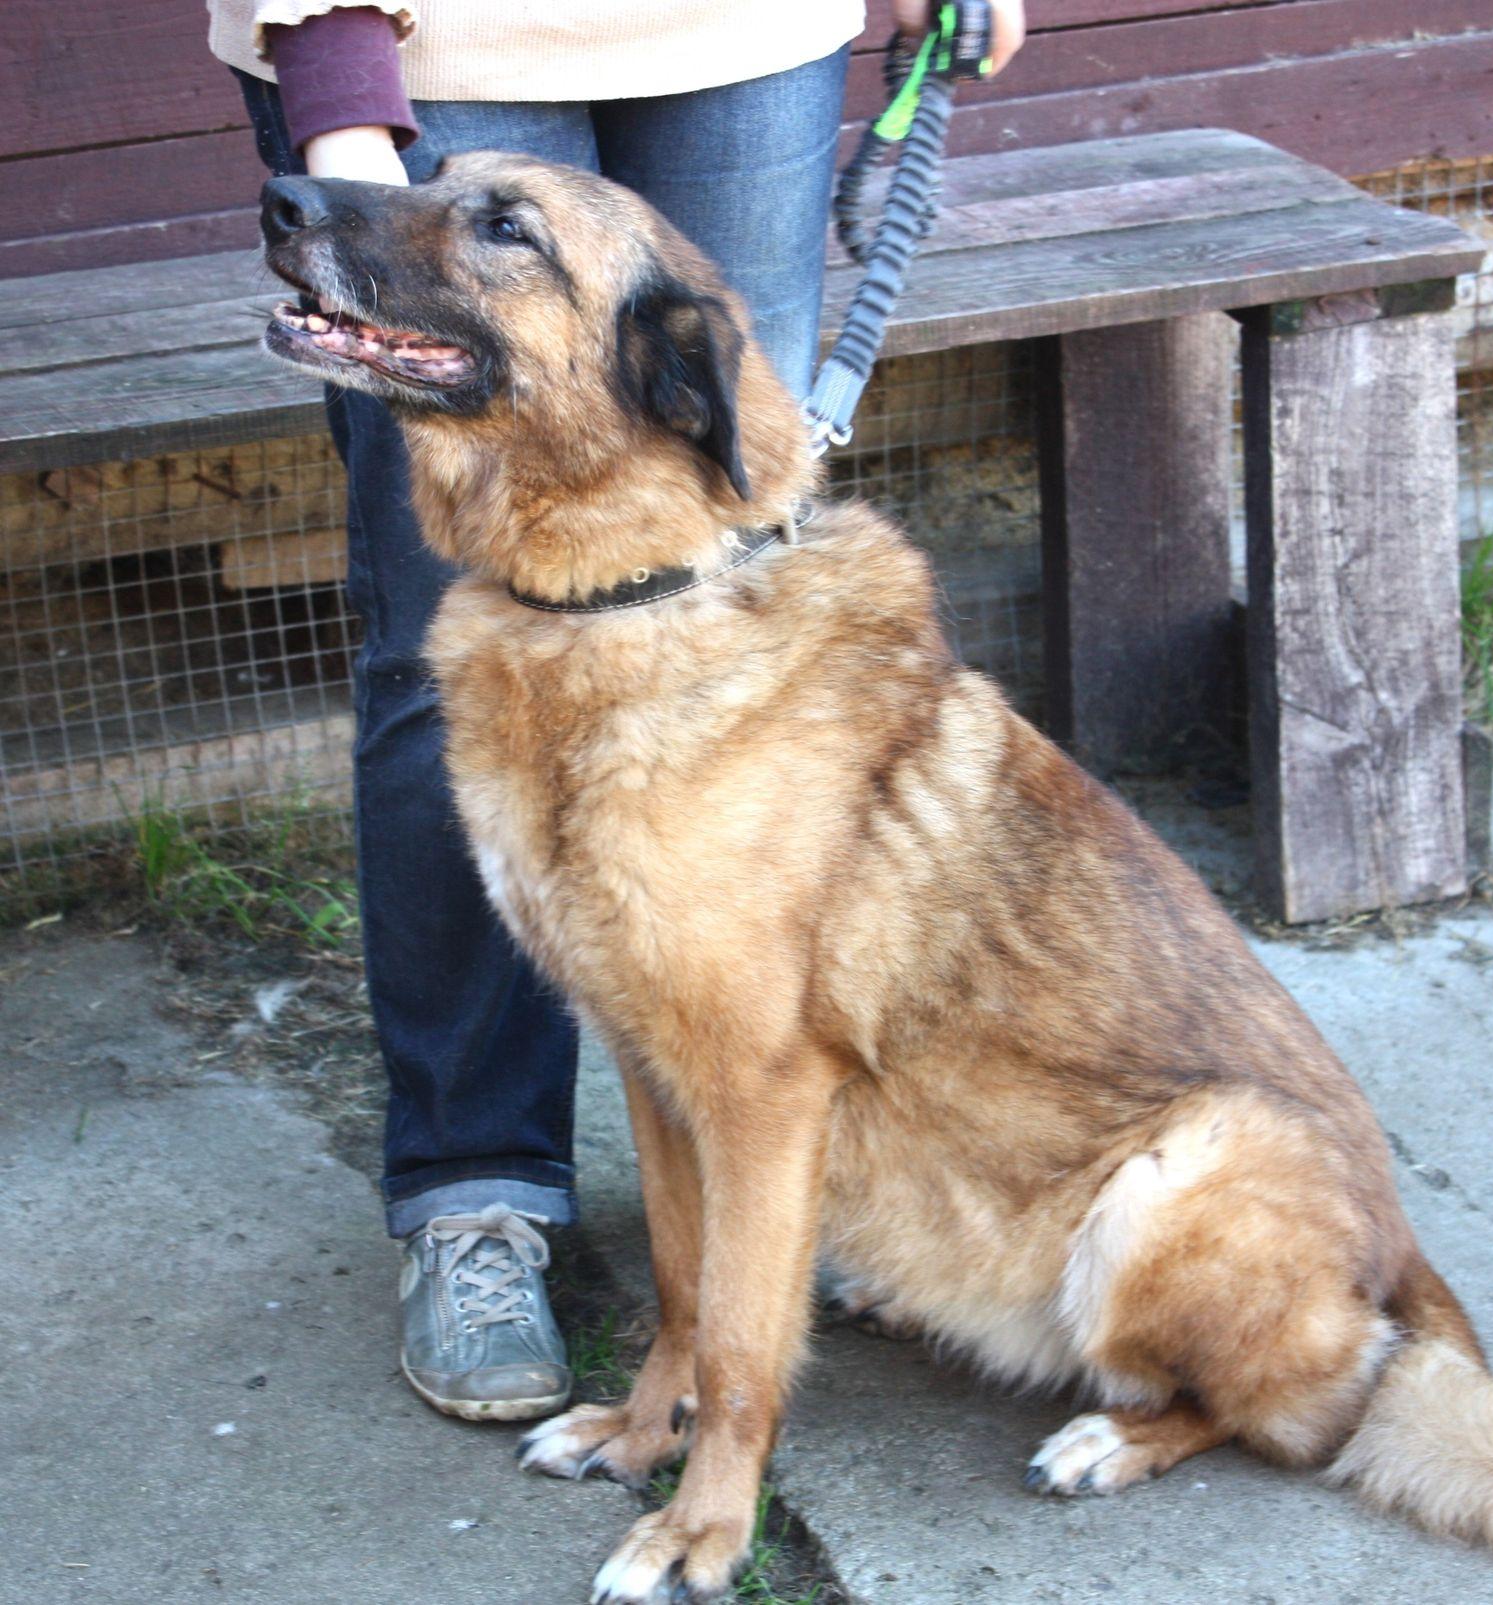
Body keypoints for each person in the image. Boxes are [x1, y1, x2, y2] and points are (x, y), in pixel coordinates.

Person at [208, 0, 1025, 1422]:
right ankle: (474, 1187)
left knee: (733, 549)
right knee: (440, 635)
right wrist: (339, 94)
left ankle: (781, 1190)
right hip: (436, 39)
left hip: (744, 40)